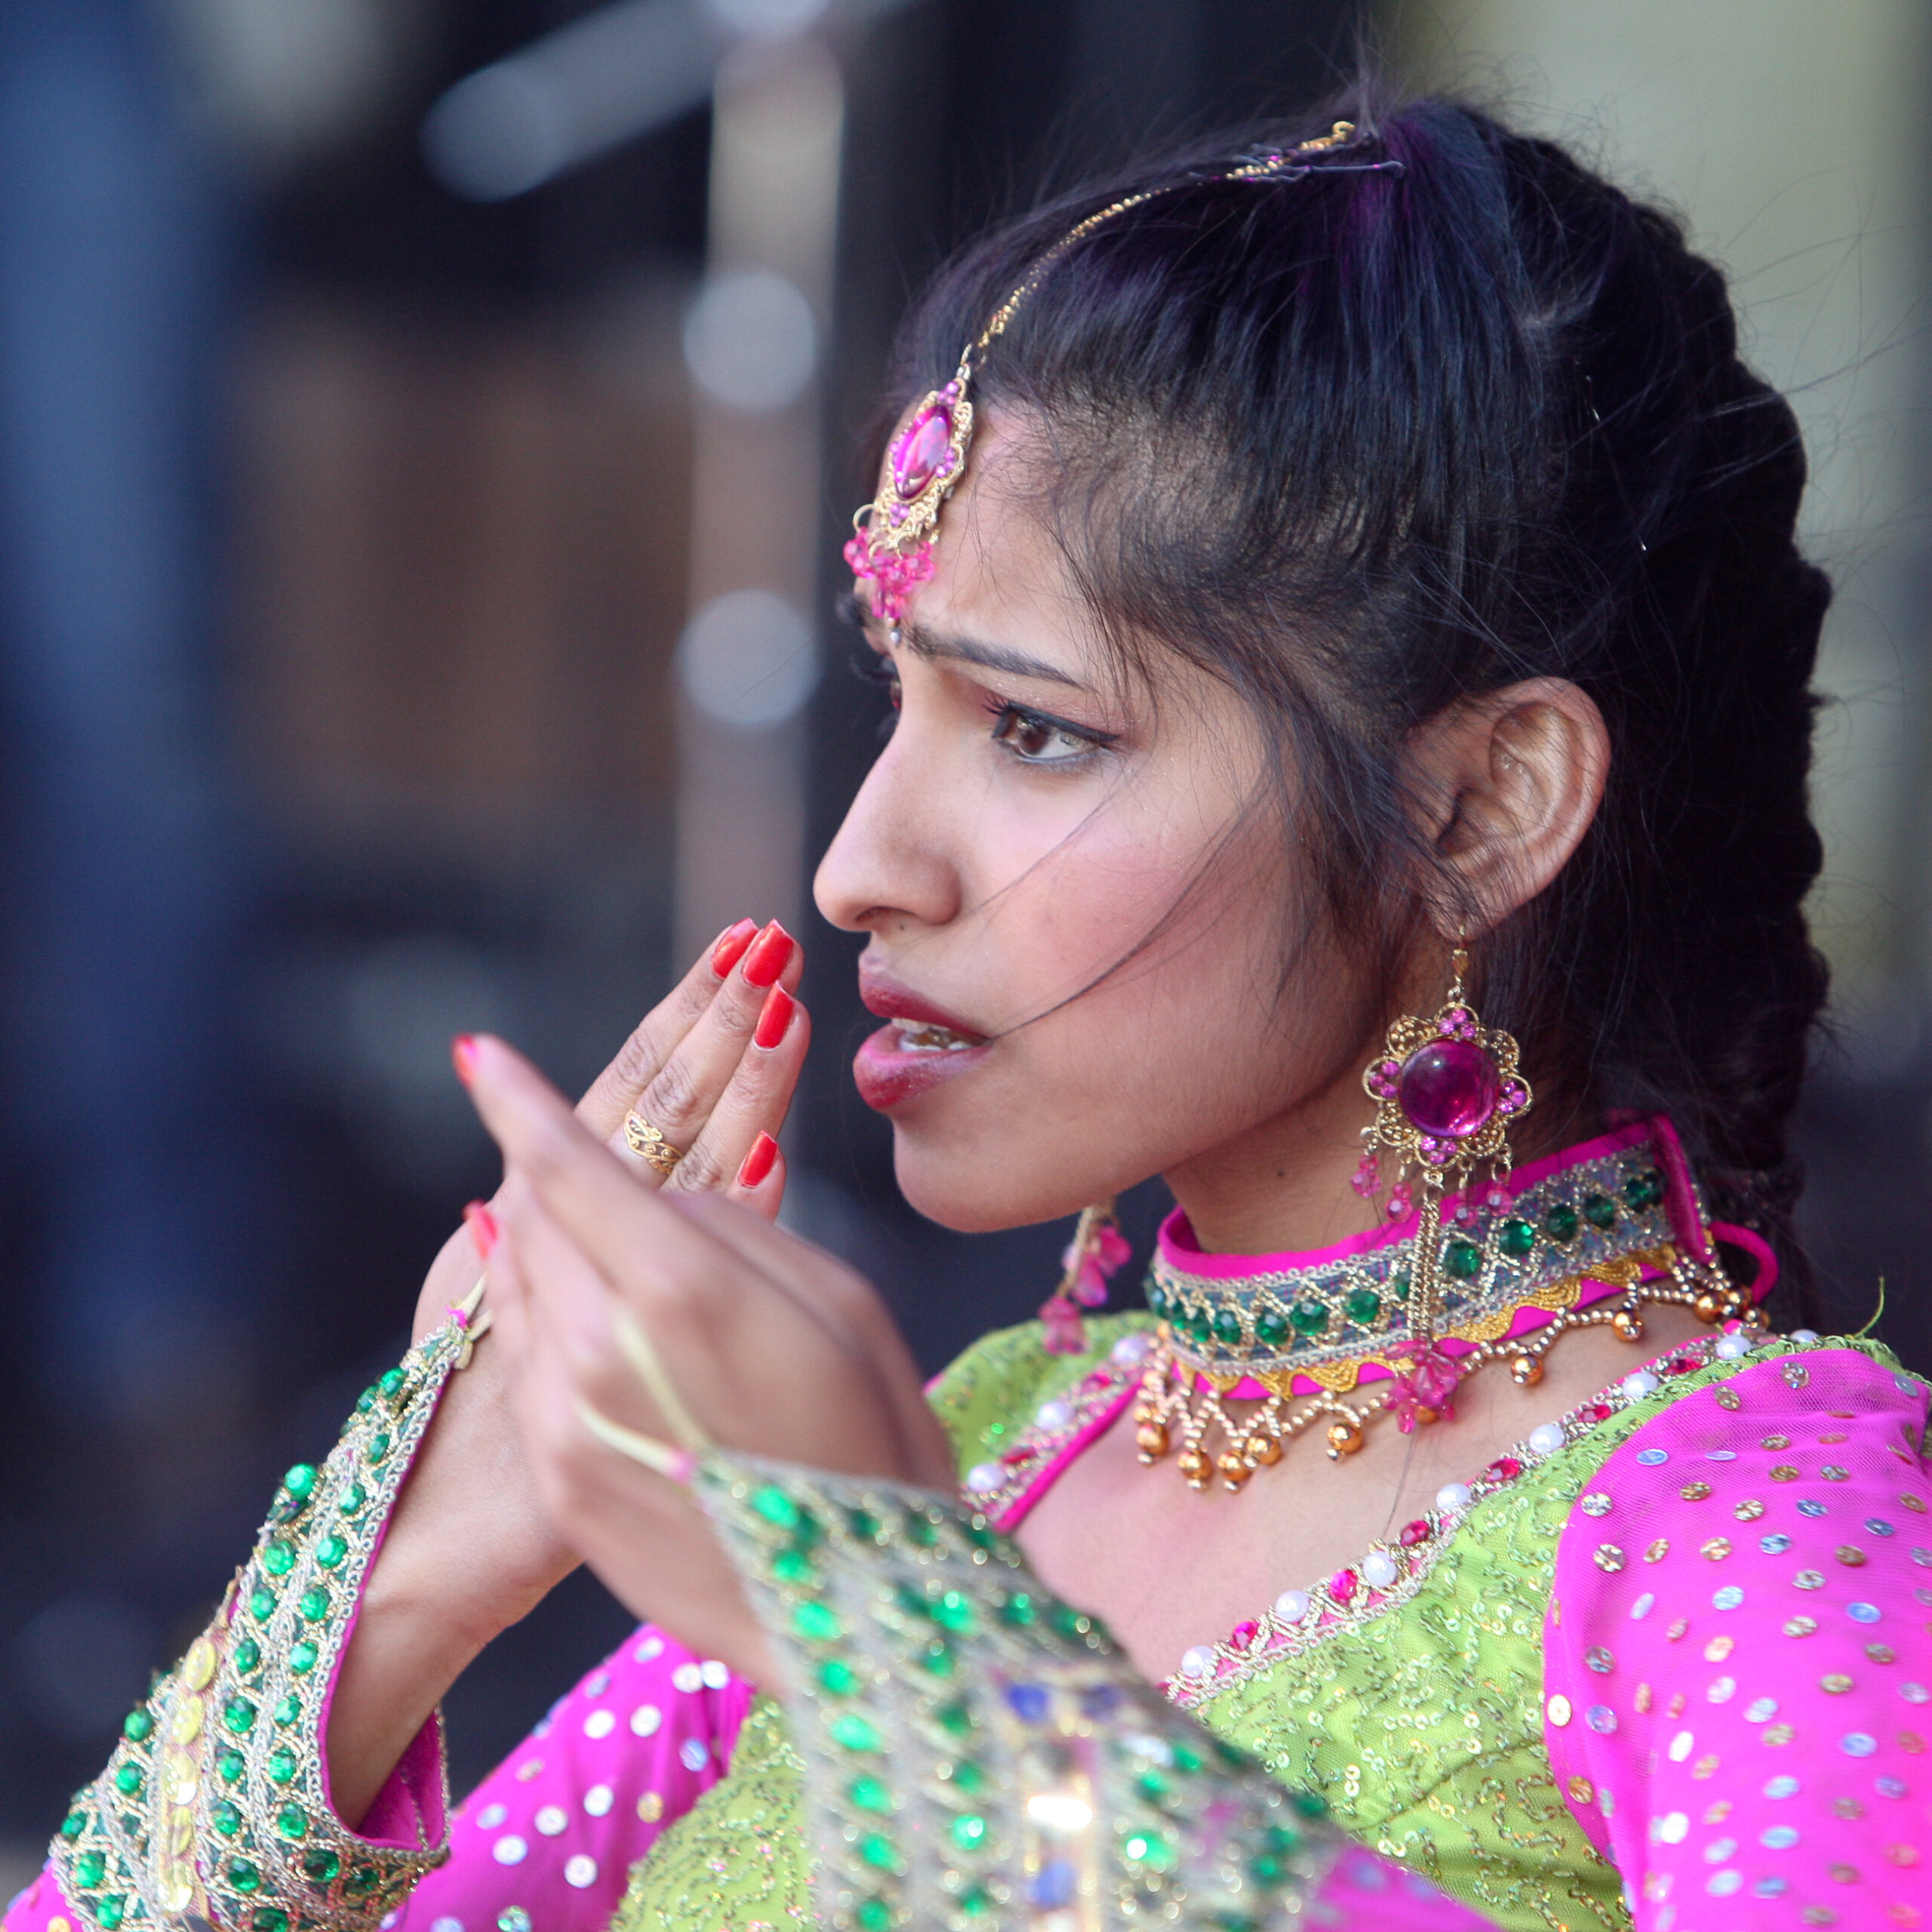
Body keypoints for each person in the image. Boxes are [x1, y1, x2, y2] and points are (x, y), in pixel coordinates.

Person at [12, 90, 1930, 1932]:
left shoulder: (1749, 1519)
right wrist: (416, 1563)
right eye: (900, 707)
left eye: (1035, 730)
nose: (859, 865)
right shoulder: (991, 1443)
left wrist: (915, 1636)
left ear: (1477, 805)